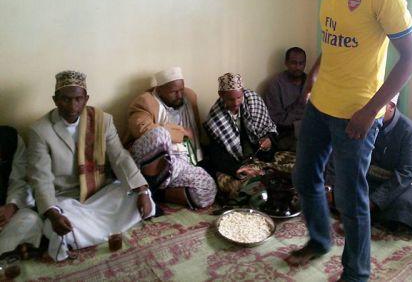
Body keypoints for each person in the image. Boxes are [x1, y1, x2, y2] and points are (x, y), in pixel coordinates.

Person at [285, 0, 412, 282]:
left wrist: (369, 112)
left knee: (350, 198)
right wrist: (313, 77)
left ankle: (356, 273)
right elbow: (333, 39)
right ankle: (319, 240)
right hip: (321, 105)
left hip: (356, 115)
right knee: (304, 177)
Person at [28, 70, 154, 261]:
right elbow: (41, 178)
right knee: (57, 227)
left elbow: (119, 157)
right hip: (66, 199)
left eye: (78, 99)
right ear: (55, 100)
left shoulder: (102, 121)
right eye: (65, 99)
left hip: (99, 192)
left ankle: (89, 234)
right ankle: (102, 229)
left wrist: (141, 190)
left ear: (86, 99)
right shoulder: (40, 131)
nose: (73, 106)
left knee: (138, 195)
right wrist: (53, 214)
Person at [125, 67, 216, 209]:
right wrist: (181, 133)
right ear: (160, 90)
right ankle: (149, 182)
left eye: (181, 90)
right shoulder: (145, 101)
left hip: (178, 163)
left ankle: (155, 193)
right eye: (174, 92)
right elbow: (142, 129)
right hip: (151, 162)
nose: (179, 95)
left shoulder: (188, 98)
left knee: (208, 188)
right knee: (160, 133)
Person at [366, 94, 412, 232]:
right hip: (373, 177)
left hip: (405, 183)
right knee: (345, 187)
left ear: (391, 106)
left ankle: (378, 215)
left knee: (404, 204)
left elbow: (406, 173)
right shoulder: (366, 123)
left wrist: (374, 201)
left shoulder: (411, 131)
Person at [203, 73, 278, 198]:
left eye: (239, 97)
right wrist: (236, 169)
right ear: (221, 95)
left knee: (279, 175)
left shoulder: (253, 101)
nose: (236, 103)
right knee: (234, 186)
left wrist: (268, 140)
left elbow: (268, 129)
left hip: (258, 154)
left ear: (243, 91)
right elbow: (217, 154)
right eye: (230, 99)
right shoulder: (214, 119)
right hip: (234, 161)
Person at [0, 128, 43, 257]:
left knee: (31, 220)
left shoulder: (10, 138)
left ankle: (6, 253)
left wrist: (11, 206)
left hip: (4, 214)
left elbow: (18, 181)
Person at [264, 47, 307, 150]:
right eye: (294, 63)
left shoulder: (311, 83)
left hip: (311, 129)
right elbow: (276, 120)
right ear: (286, 63)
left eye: (301, 63)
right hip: (287, 134)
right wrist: (299, 125)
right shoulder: (275, 85)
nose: (298, 67)